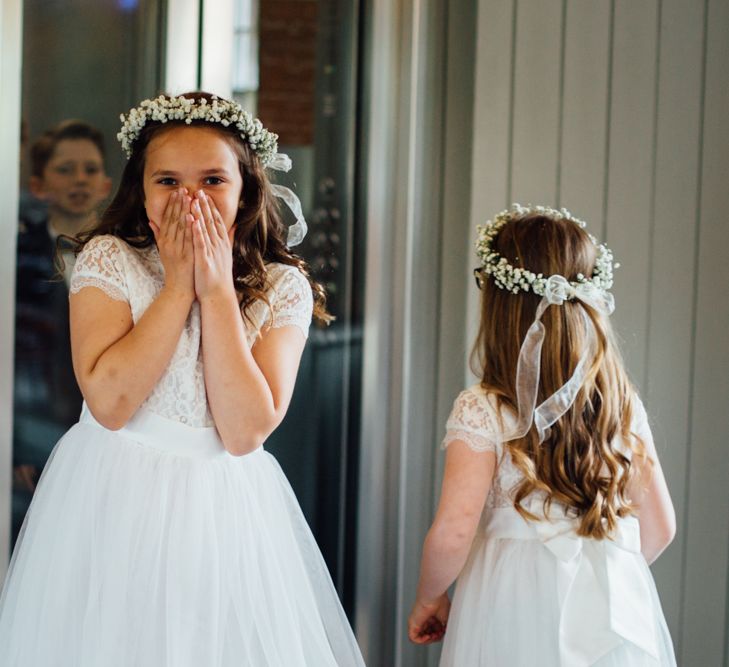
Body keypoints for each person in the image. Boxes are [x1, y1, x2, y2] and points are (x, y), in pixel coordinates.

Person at [0, 92, 364, 667]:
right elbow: (111, 403)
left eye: (214, 180)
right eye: (168, 181)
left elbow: (245, 431)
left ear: (245, 190)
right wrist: (176, 286)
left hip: (223, 513)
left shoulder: (281, 285)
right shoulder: (108, 258)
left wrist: (217, 292)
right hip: (110, 495)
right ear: (140, 191)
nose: (189, 199)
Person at [408, 204, 677, 666]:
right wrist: (593, 586)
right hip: (606, 613)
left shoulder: (484, 408)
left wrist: (429, 598)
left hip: (508, 602)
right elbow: (660, 528)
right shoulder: (620, 401)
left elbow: (454, 530)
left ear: (499, 306)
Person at [12, 120, 112, 544]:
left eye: (90, 170)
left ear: (106, 184)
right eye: (65, 169)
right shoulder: (15, 256)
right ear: (38, 185)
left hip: (106, 430)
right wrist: (17, 444)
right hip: (37, 428)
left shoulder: (127, 254)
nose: (79, 180)